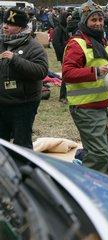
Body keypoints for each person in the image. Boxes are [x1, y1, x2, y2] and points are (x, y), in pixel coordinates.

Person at [62, 1, 108, 173]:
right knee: (99, 155)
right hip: (85, 107)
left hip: (101, 105)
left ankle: (94, 186)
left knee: (98, 152)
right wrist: (96, 72)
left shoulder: (103, 41)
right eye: (93, 20)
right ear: (85, 21)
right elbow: (68, 74)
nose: (98, 23)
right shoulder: (77, 43)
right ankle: (89, 192)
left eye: (100, 19)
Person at [0, 8, 48, 149]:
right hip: (2, 102)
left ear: (20, 27)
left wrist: (15, 59)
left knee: (22, 145)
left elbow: (41, 71)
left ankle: (25, 171)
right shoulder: (1, 42)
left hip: (23, 104)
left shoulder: (34, 47)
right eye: (4, 22)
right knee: (2, 145)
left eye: (10, 24)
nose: (5, 26)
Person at [52, 11, 70, 103]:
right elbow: (56, 43)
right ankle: (62, 96)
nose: (69, 19)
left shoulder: (65, 28)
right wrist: (62, 55)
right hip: (64, 55)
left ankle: (68, 94)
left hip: (68, 54)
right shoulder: (58, 29)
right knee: (66, 75)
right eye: (67, 18)